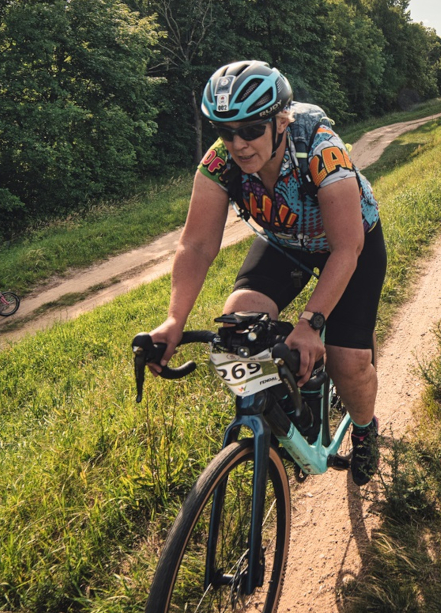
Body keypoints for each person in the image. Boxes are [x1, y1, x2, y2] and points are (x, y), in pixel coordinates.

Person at [149, 61, 386, 485]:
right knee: (238, 326)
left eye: (251, 129)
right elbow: (197, 245)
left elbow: (347, 248)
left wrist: (312, 323)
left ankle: (365, 429)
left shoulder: (320, 150)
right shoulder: (220, 162)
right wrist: (173, 320)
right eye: (226, 131)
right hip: (286, 245)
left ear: (281, 121)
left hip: (348, 247)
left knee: (348, 364)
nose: (238, 144)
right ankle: (287, 416)